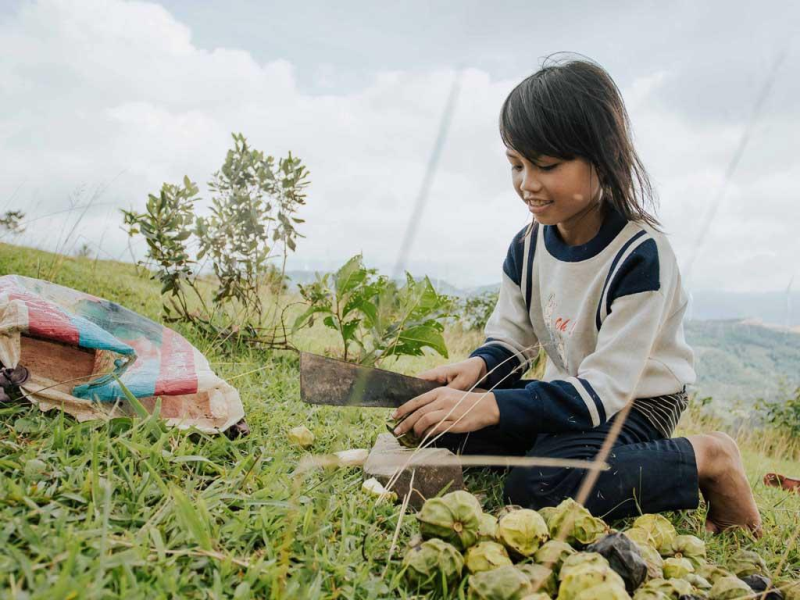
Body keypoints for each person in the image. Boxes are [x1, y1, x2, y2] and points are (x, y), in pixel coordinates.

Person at [391, 55, 761, 534]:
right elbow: (513, 340)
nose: (528, 183)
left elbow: (606, 389)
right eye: (516, 164)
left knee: (540, 486)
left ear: (603, 157)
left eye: (546, 165)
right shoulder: (526, 246)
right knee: (450, 430)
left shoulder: (641, 256)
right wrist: (478, 371)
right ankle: (557, 451)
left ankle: (708, 459)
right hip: (569, 393)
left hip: (636, 401)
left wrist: (492, 406)